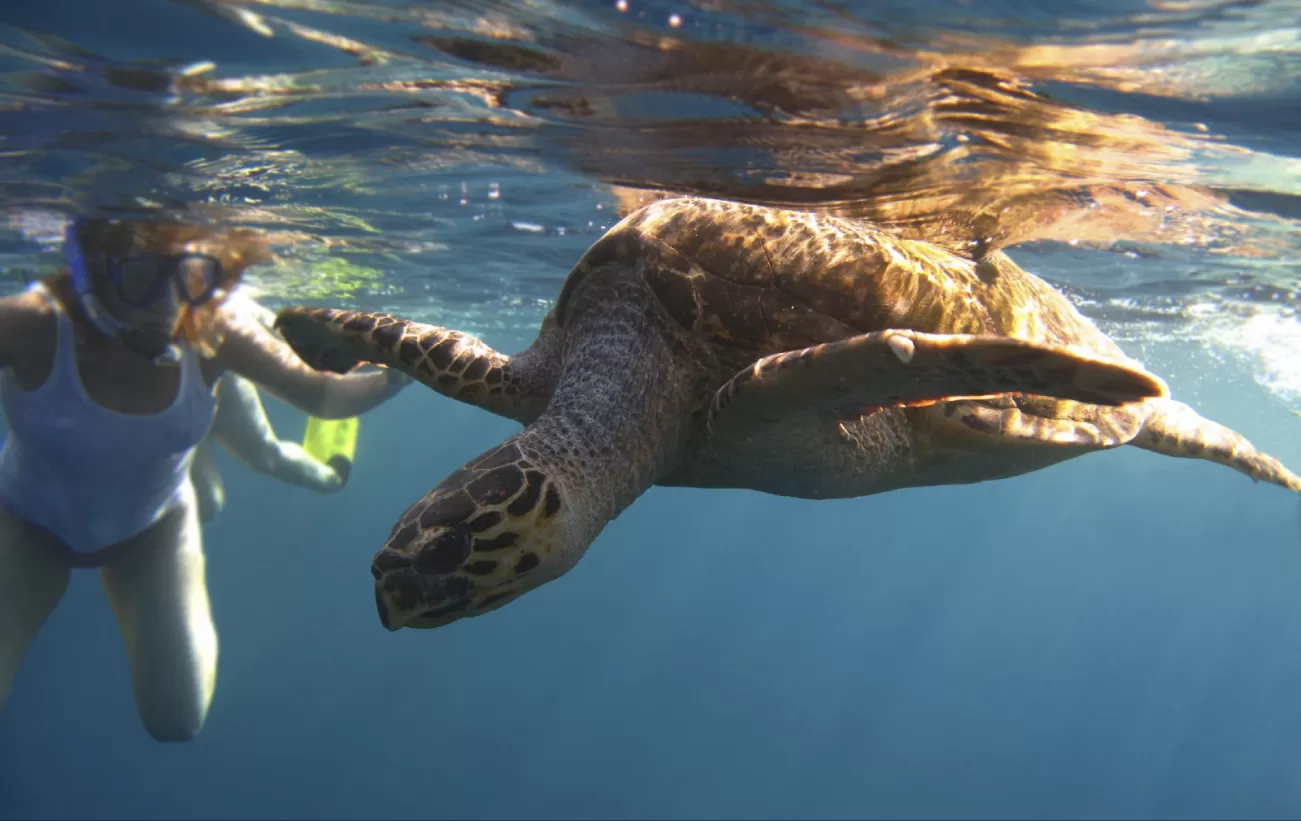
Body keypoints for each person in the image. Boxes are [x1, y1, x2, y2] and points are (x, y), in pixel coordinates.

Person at [0, 216, 408, 741]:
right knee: (226, 479)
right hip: (26, 522)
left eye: (189, 275)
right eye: (142, 274)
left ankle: (328, 472)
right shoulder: (29, 326)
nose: (168, 301)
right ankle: (197, 459)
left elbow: (323, 396)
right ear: (88, 272)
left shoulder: (214, 327)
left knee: (177, 718)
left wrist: (398, 372)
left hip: (151, 525)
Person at [190, 289, 355, 523]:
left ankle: (332, 476)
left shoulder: (218, 306)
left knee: (263, 456)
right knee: (208, 501)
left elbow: (262, 324)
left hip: (203, 362)